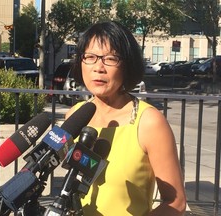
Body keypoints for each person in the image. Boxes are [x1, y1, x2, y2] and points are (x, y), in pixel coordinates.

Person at [65, 21, 186, 215]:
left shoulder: (149, 122)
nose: (98, 67)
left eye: (110, 59)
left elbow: (176, 201)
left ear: (127, 65)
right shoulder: (75, 116)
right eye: (90, 57)